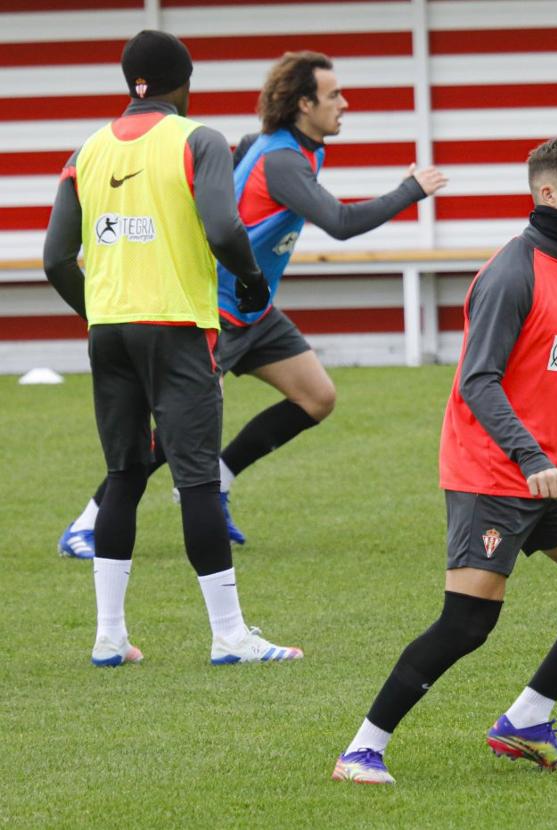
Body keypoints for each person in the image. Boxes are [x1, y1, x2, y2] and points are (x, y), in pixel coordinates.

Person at [332, 137, 557, 785]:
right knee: (468, 623)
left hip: (549, 472)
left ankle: (527, 721)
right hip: (493, 476)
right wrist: (531, 454)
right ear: (548, 194)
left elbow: (550, 381)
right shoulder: (512, 273)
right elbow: (480, 381)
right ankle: (361, 751)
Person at [56, 50, 448, 559]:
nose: (344, 104)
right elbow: (341, 223)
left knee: (316, 396)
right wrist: (410, 190)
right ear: (304, 104)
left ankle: (218, 475)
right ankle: (86, 524)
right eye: (333, 96)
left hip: (253, 307)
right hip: (215, 310)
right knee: (173, 432)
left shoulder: (278, 147)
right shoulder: (282, 159)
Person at [43, 30, 301, 666]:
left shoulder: (89, 148)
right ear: (186, 80)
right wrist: (247, 276)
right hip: (179, 331)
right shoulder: (199, 139)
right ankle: (230, 636)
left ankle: (109, 637)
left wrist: (100, 310)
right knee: (196, 481)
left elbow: (54, 259)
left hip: (109, 335)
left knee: (124, 475)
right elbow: (222, 225)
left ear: (127, 81)